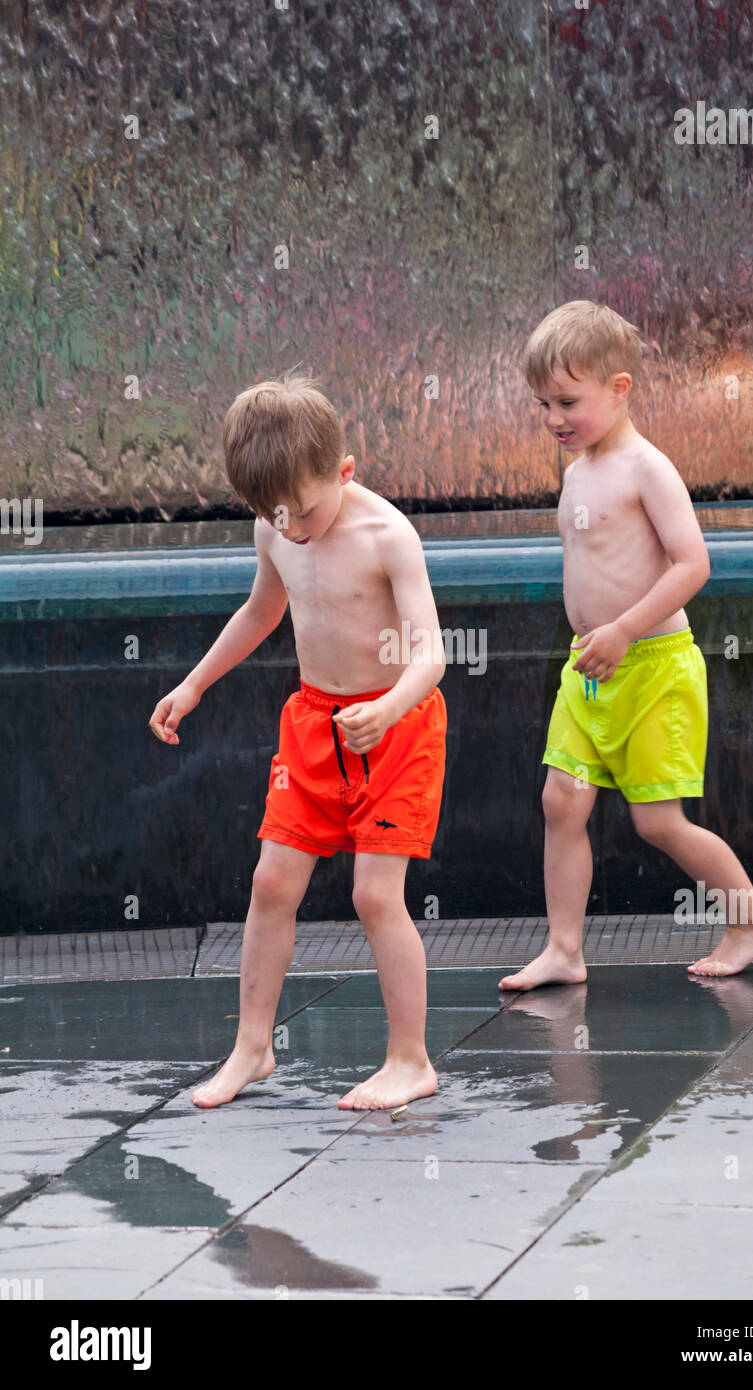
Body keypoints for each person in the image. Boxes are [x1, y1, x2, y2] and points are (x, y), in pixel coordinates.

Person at [149, 373, 447, 1109]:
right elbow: (259, 613)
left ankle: (410, 1058)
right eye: (270, 515)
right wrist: (194, 684)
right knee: (271, 883)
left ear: (344, 471)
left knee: (375, 896)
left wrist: (390, 708)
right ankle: (253, 1047)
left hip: (398, 727)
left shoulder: (387, 537)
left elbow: (431, 654)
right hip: (314, 725)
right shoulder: (277, 525)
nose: (288, 529)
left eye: (302, 511)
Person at [499, 300, 753, 990]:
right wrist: (599, 635)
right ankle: (564, 948)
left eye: (567, 401)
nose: (553, 418)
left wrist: (624, 629)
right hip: (590, 667)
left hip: (653, 666)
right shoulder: (578, 472)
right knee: (561, 802)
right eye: (543, 404)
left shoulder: (646, 468)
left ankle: (749, 918)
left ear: (619, 388)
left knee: (657, 821)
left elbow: (694, 564)